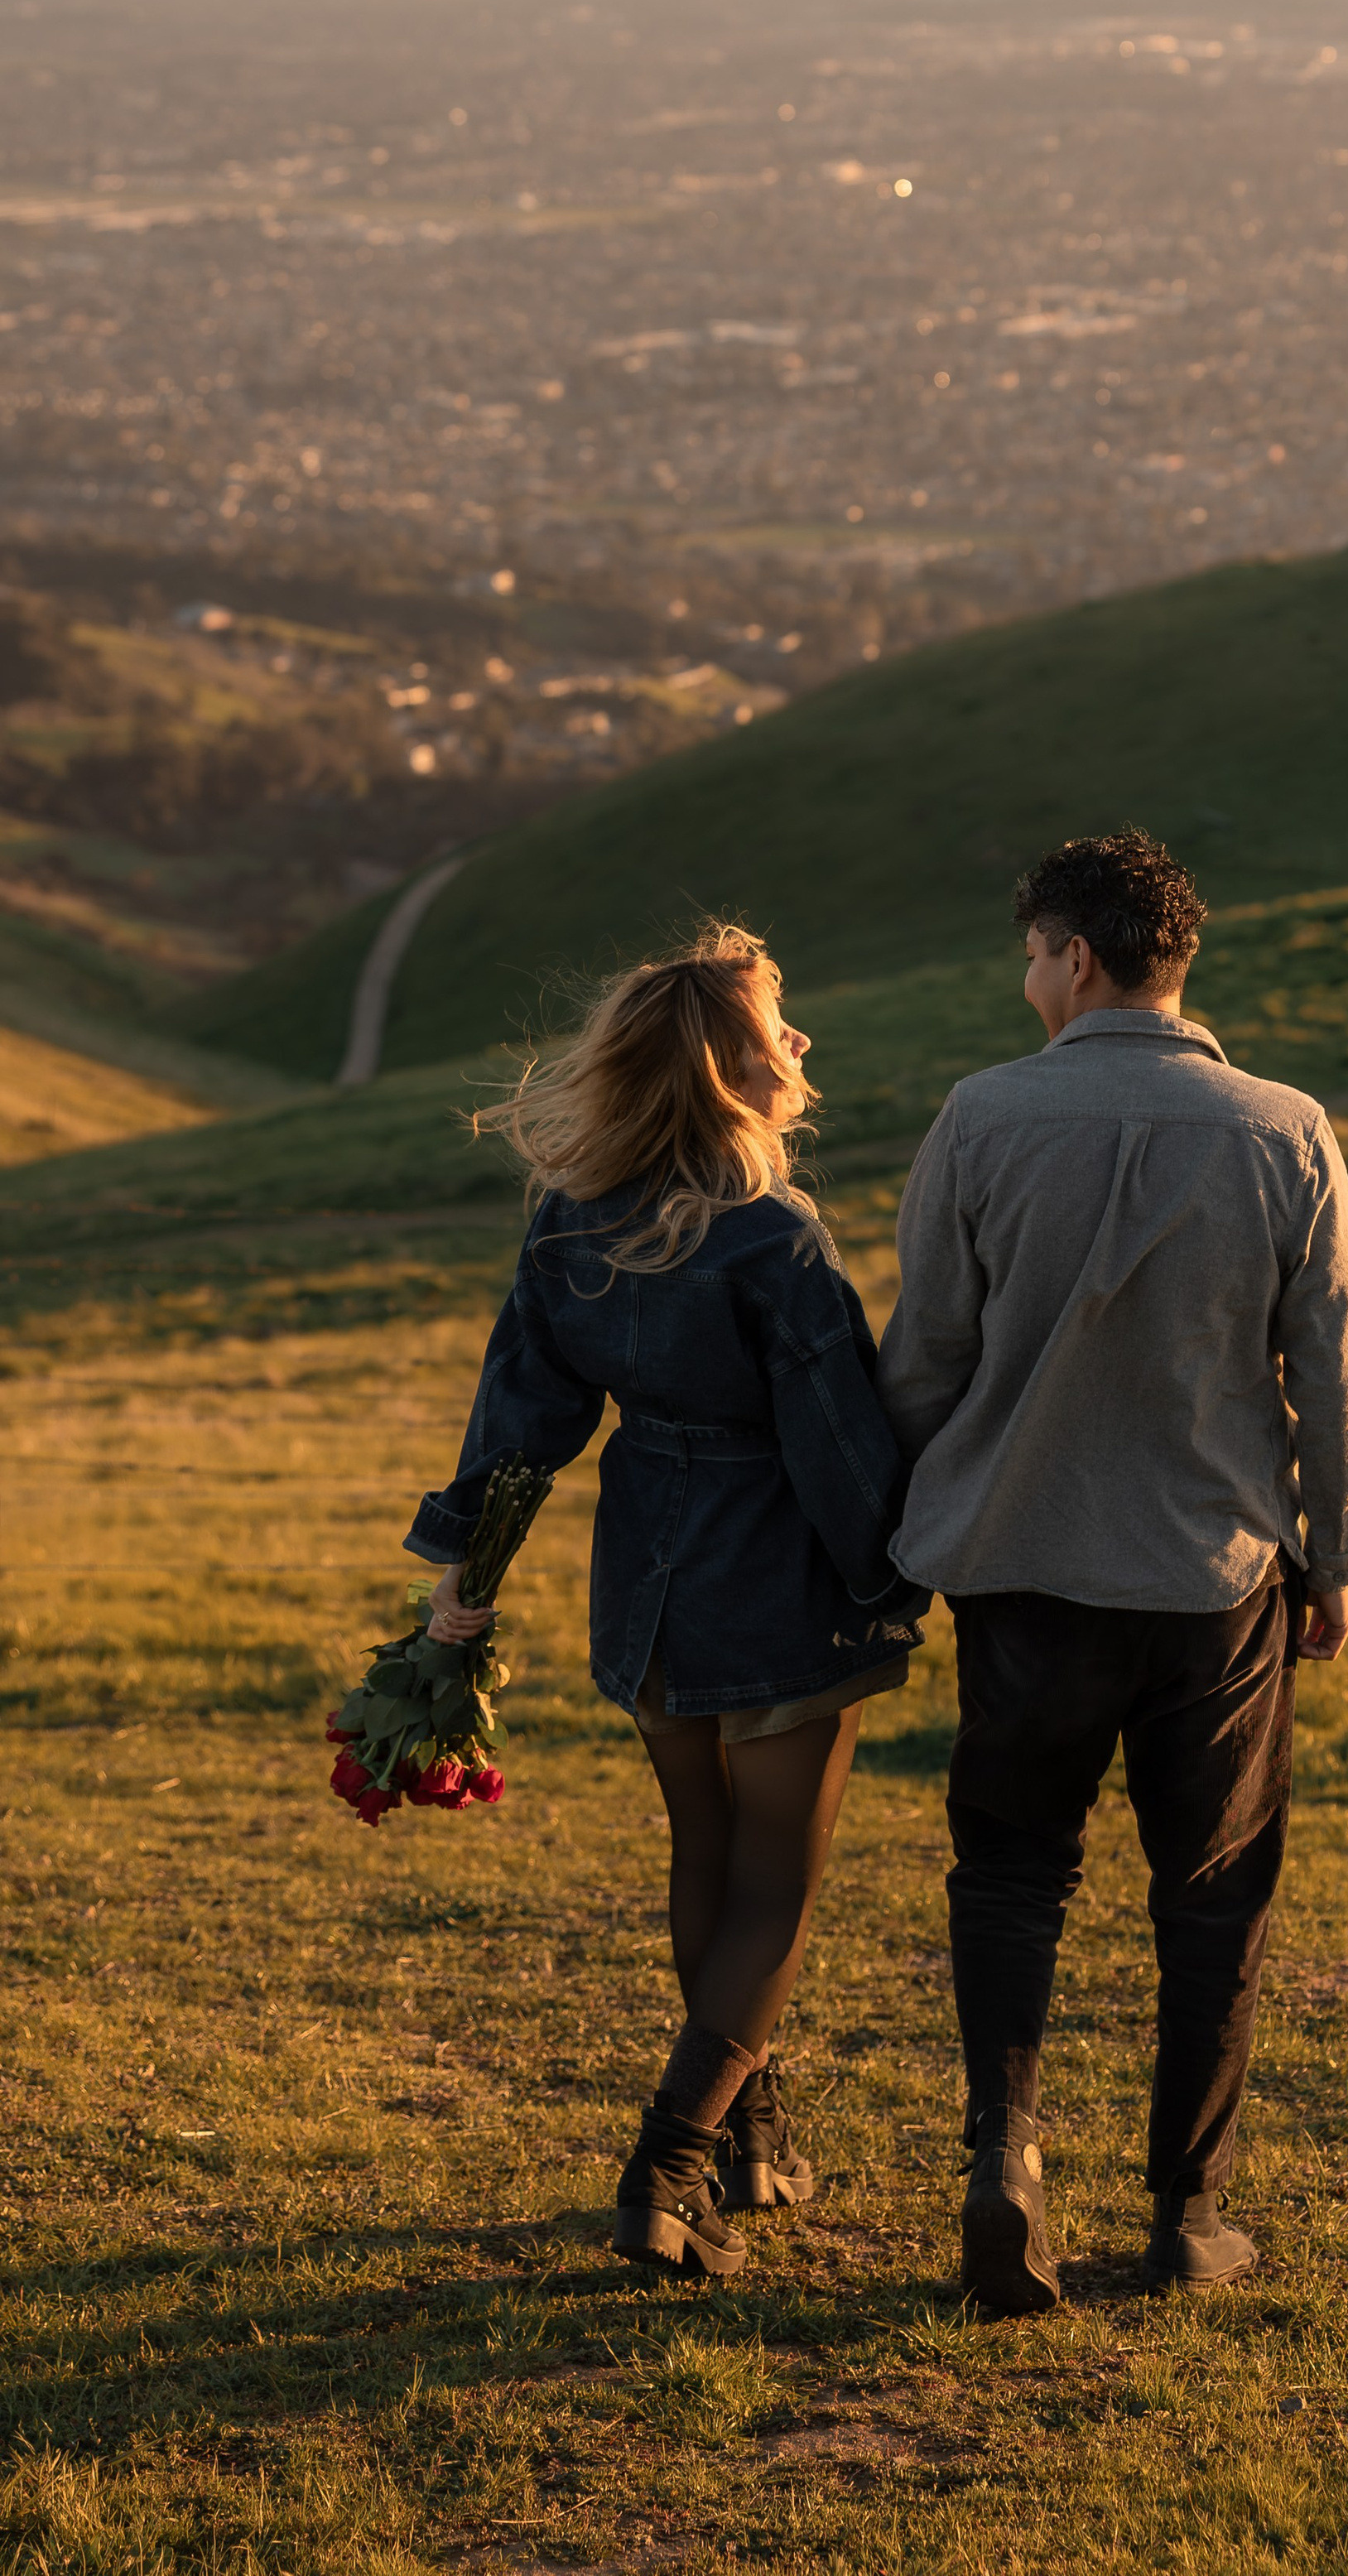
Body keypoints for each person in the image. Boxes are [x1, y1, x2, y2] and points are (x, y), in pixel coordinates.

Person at [877, 827, 1348, 2312]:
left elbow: (923, 1364)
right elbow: (1332, 1384)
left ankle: (1005, 2170)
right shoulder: (1288, 1130)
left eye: (1032, 954)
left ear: (1075, 957)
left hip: (1022, 1571)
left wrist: (901, 1534)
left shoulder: (977, 1120)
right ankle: (1188, 2216)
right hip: (1214, 1588)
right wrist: (1333, 1559)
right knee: (1212, 1896)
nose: (1026, 978)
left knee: (1014, 1874)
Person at [407, 923, 921, 2280]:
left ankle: (755, 2146)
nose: (800, 1042)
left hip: (642, 1576)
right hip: (779, 1575)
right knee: (777, 1897)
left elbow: (518, 1423)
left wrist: (464, 1584)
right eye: (780, 1024)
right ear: (731, 1067)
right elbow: (836, 1438)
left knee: (708, 1861)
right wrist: (894, 1579)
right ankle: (667, 2168)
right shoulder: (772, 1233)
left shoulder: (574, 1216)